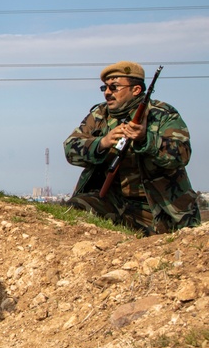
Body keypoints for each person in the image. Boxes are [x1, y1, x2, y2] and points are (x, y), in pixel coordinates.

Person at [64, 61, 200, 235]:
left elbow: (182, 154)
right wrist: (102, 143)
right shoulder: (99, 115)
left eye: (114, 87)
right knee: (73, 211)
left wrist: (146, 140)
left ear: (135, 90)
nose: (107, 93)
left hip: (157, 207)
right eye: (104, 88)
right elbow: (70, 148)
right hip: (112, 201)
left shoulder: (162, 115)